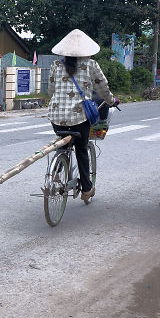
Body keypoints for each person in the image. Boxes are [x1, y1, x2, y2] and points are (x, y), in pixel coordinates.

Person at [48, 29, 118, 201]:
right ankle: (87, 189)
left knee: (63, 143)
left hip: (56, 118)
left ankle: (55, 171)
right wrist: (110, 101)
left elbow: (50, 91)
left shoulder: (56, 65)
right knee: (81, 150)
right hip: (79, 119)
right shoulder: (91, 65)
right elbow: (103, 88)